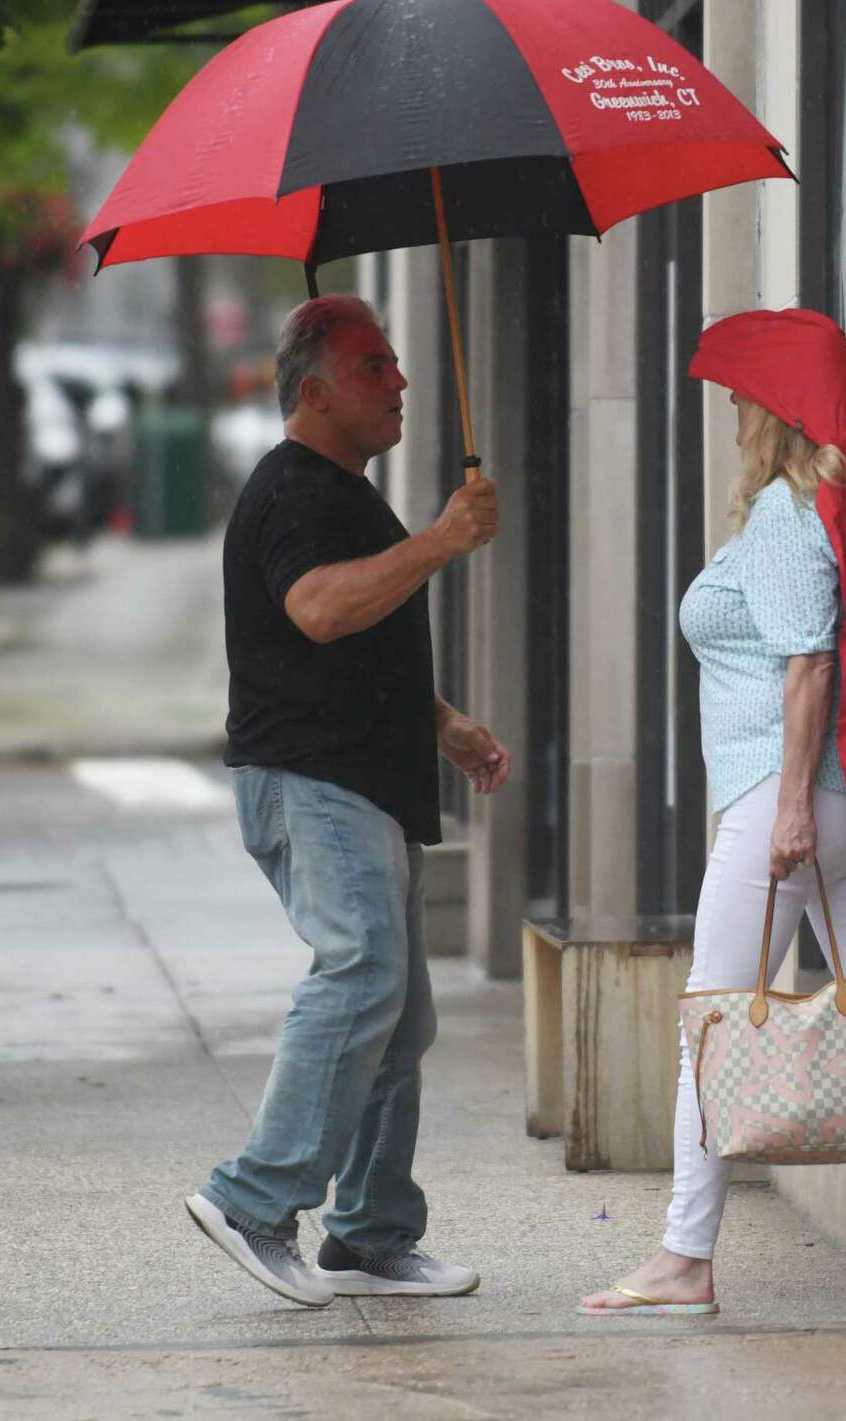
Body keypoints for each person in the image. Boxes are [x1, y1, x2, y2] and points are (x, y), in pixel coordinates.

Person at [581, 308, 846, 1316]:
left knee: (712, 1016)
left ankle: (683, 1259)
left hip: (789, 807)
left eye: (742, 391)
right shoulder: (831, 497)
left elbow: (808, 662)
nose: (733, 407)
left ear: (775, 406)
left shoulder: (790, 512)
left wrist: (785, 811)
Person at [186, 294, 510, 1308]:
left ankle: (369, 1235)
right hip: (314, 782)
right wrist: (442, 541)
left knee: (397, 1020)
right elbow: (321, 611)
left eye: (399, 362)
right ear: (316, 392)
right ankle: (252, 1198)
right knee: (362, 973)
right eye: (377, 367)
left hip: (365, 783)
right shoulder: (293, 491)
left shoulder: (343, 495)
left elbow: (358, 642)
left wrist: (444, 723)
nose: (402, 381)